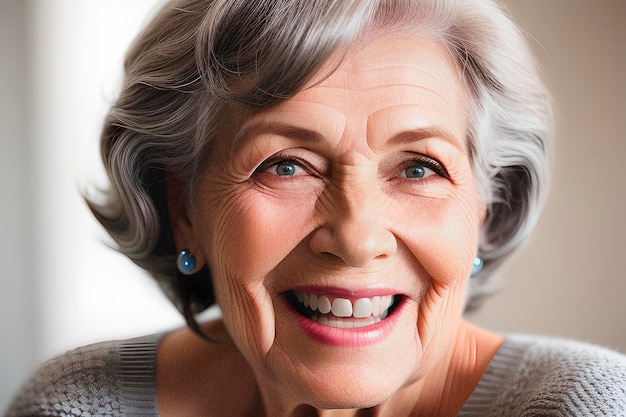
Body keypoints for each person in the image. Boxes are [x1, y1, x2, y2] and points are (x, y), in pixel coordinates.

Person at [6, 0, 626, 415]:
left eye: (418, 167)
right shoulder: (85, 404)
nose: (356, 237)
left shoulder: (588, 405)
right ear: (183, 206)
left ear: (485, 211)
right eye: (286, 165)